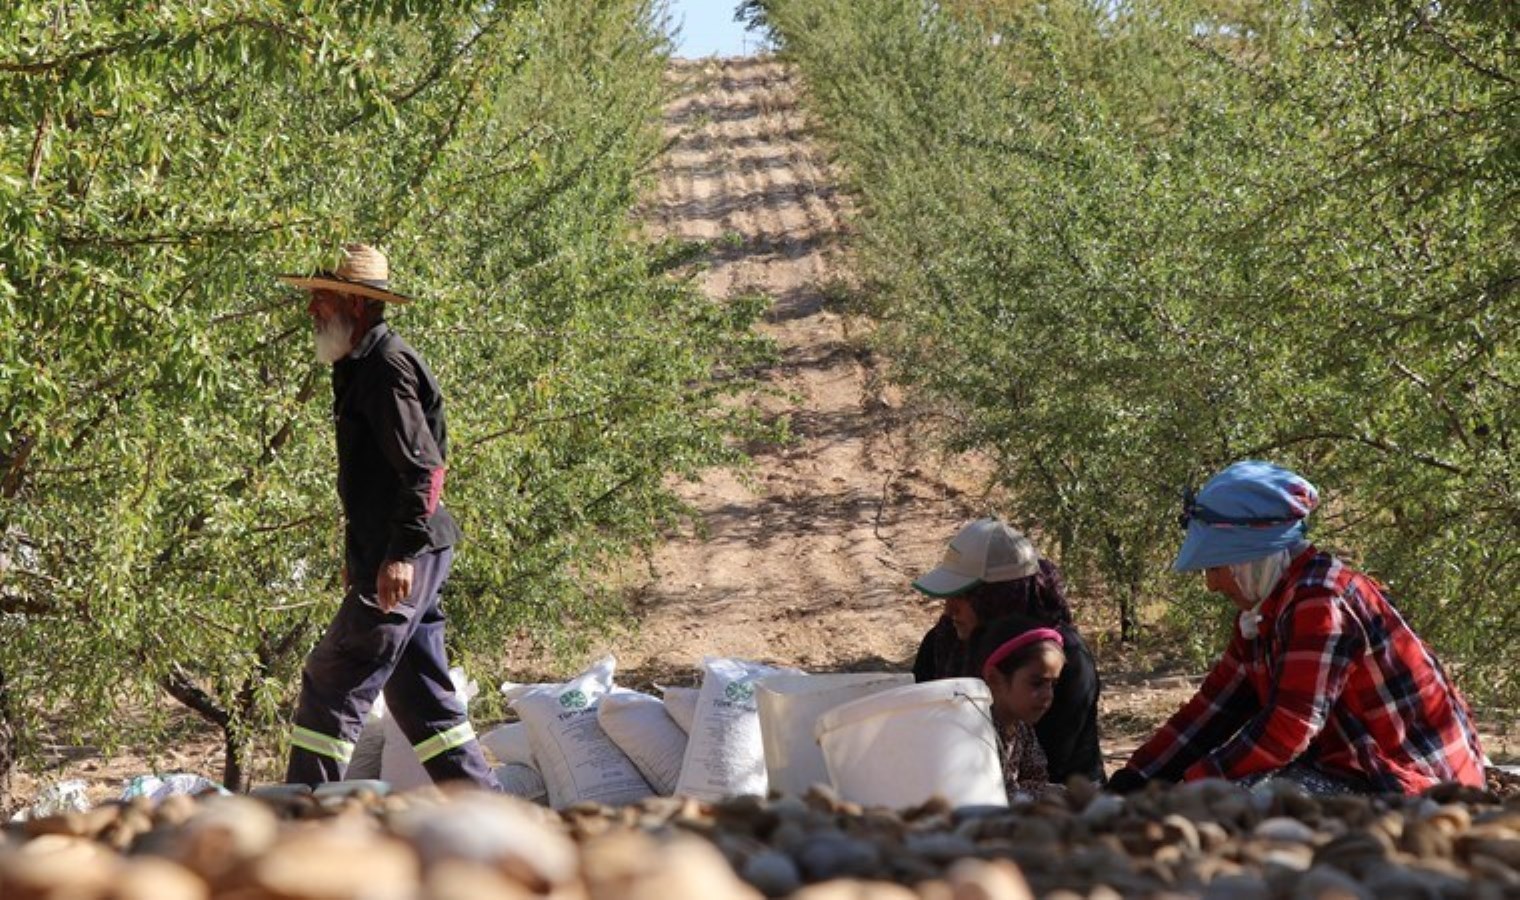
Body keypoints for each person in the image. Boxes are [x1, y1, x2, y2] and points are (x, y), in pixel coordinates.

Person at [1109, 461, 1486, 796]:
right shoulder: (1266, 612)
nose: (1212, 584)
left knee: (1255, 801)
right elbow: (1214, 708)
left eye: (1216, 567)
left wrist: (1192, 786)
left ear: (1249, 559)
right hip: (1359, 768)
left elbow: (1289, 727)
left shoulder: (1319, 600)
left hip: (1419, 785)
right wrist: (1139, 777)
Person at [278, 244, 498, 790]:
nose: (311, 311)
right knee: (423, 703)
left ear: (355, 304)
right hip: (404, 552)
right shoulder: (357, 364)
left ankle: (305, 818)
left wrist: (398, 554)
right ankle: (494, 816)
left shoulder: (384, 368)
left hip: (411, 553)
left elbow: (424, 471)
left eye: (321, 298)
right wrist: (365, 557)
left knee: (333, 679)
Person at [911, 518, 1105, 784]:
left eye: (963, 596)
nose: (949, 609)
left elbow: (1050, 767)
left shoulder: (1060, 658)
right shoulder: (943, 644)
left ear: (997, 597)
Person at [977, 623, 1065, 800]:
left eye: (1052, 684)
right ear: (995, 679)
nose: (1048, 695)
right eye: (1036, 683)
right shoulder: (979, 733)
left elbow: (1036, 778)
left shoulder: (1022, 729)